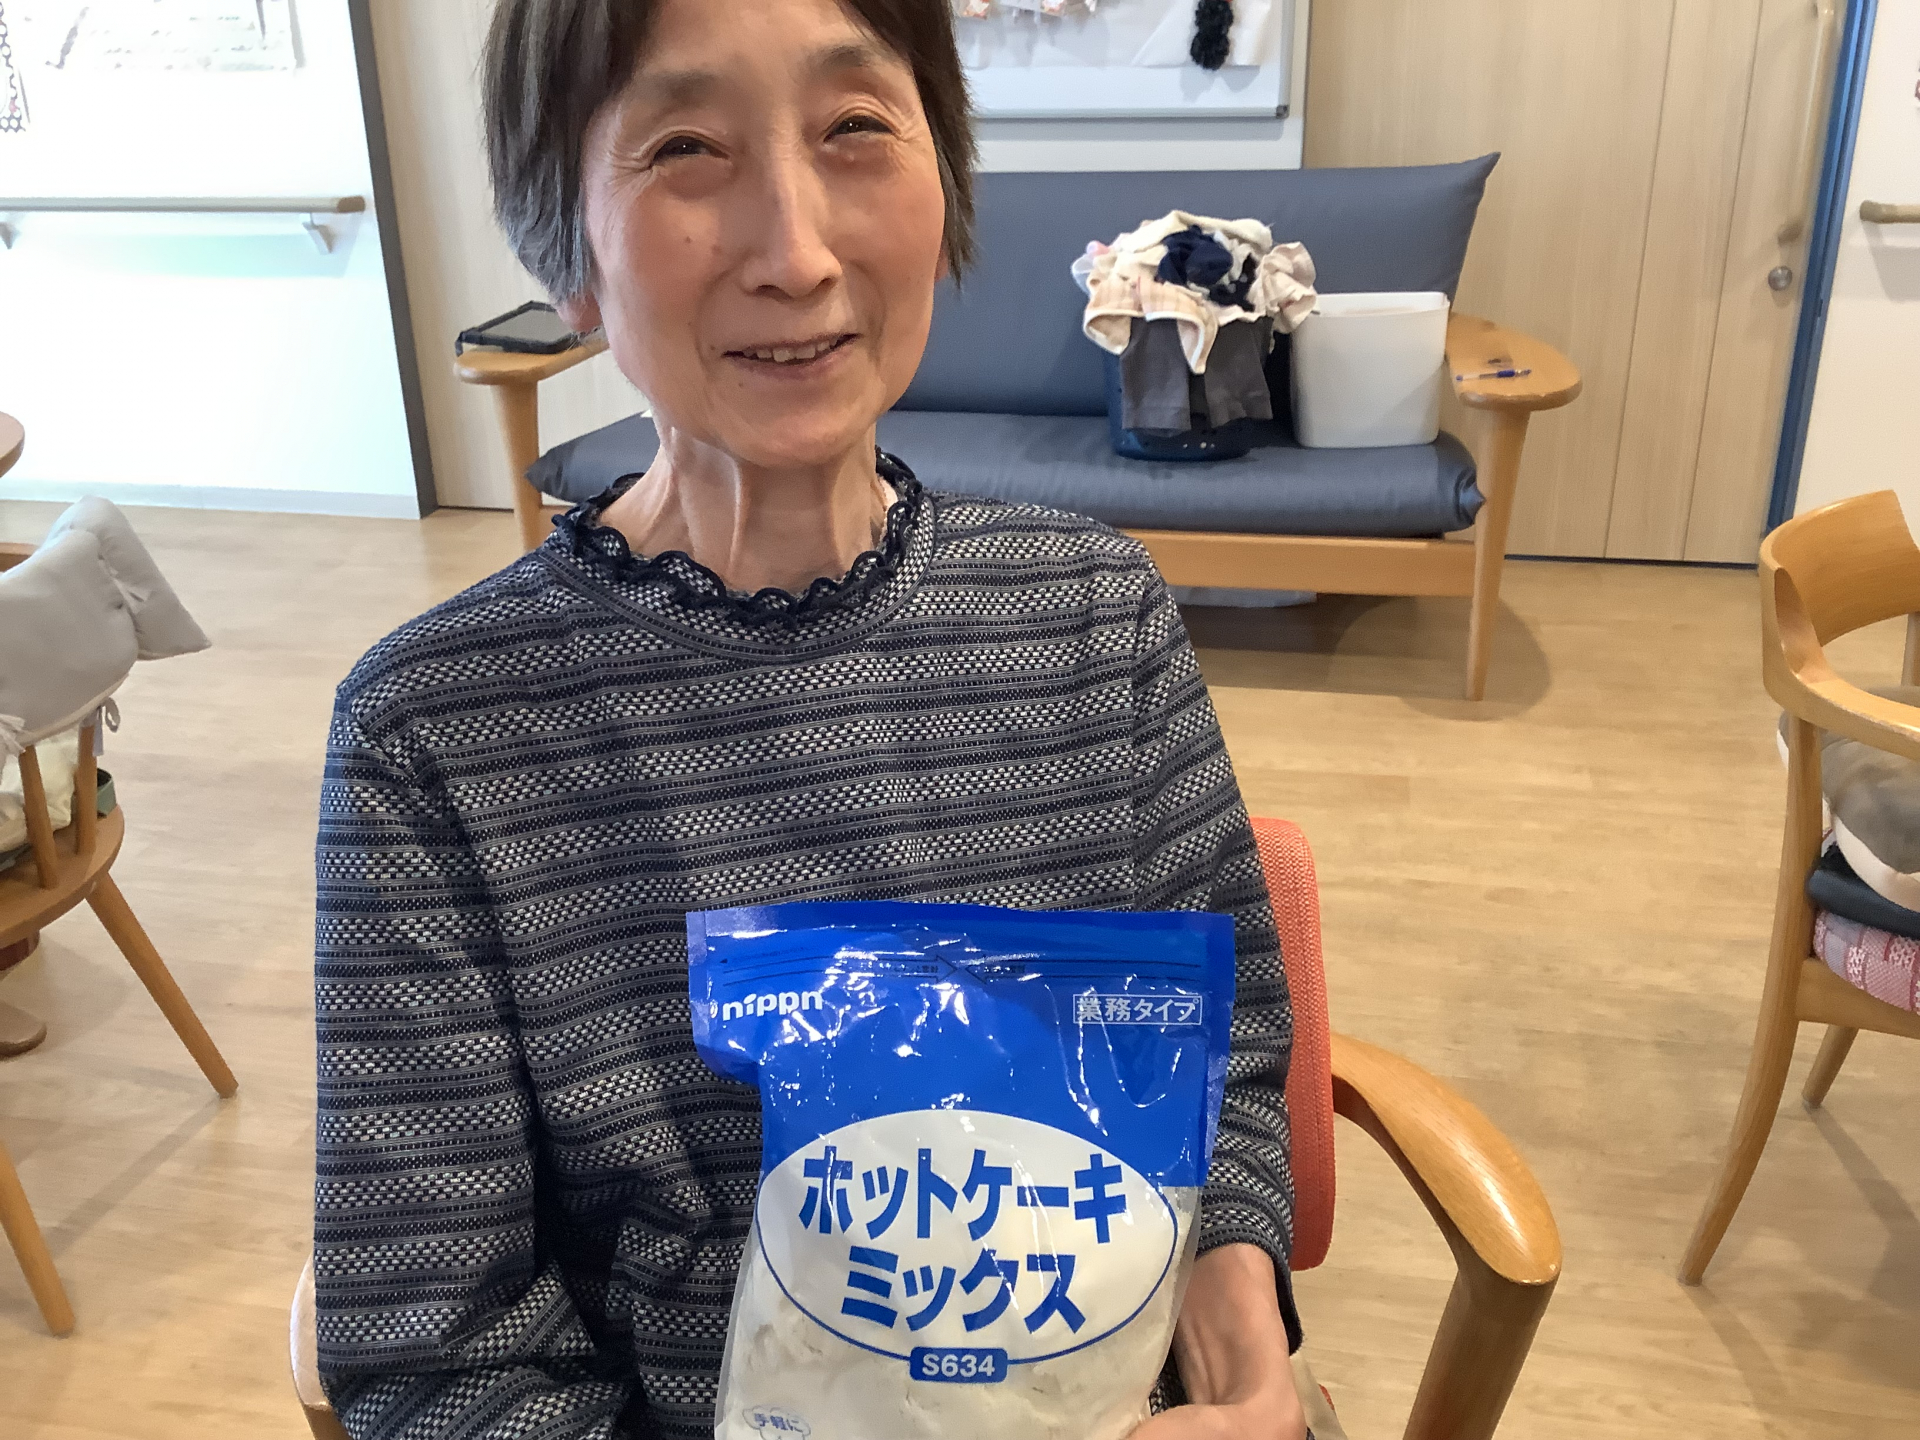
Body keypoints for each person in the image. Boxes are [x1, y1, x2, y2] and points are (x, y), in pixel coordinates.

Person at [312, 2, 1304, 1437]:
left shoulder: (1097, 614)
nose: (796, 253)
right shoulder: (437, 737)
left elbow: (1232, 1062)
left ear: (943, 185)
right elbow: (438, 1361)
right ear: (566, 247)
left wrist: (1249, 1369)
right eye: (685, 148)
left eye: (854, 127)